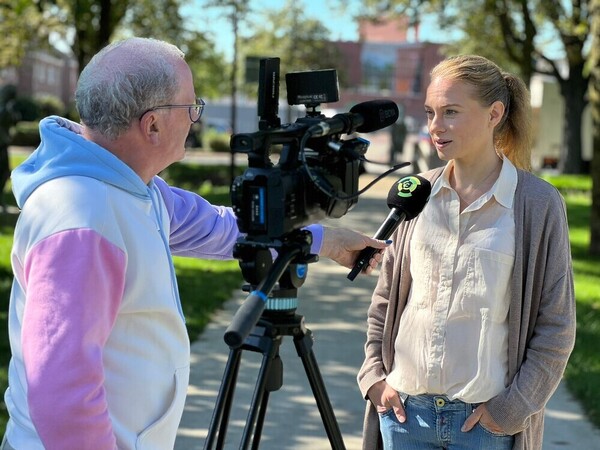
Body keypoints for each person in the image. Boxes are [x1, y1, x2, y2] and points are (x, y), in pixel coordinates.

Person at [1, 37, 388, 450]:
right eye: (191, 108)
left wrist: (325, 240)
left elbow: (222, 229)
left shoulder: (133, 186)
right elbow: (62, 393)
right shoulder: (82, 216)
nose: (195, 119)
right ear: (152, 125)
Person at [358, 54, 576, 450]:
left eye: (451, 112)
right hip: (405, 416)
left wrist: (512, 410)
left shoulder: (538, 204)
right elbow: (385, 303)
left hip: (484, 425)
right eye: (430, 113)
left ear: (495, 113)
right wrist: (374, 378)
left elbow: (556, 327)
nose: (435, 127)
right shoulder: (416, 195)